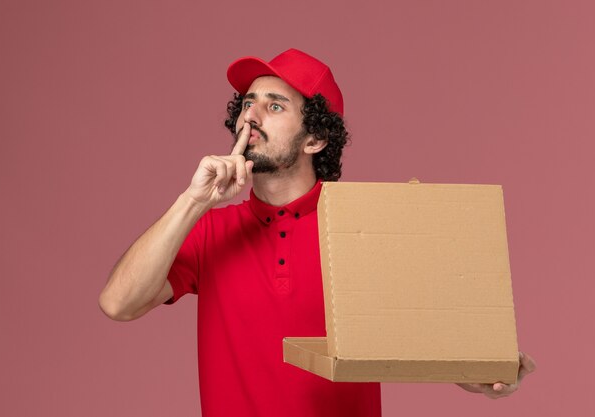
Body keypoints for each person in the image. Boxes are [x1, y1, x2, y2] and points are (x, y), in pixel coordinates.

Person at [99, 48, 536, 417]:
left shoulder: (363, 229)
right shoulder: (210, 230)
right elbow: (118, 304)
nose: (251, 117)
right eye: (247, 103)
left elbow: (425, 336)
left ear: (315, 139)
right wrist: (193, 201)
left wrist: (477, 373)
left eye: (274, 106)